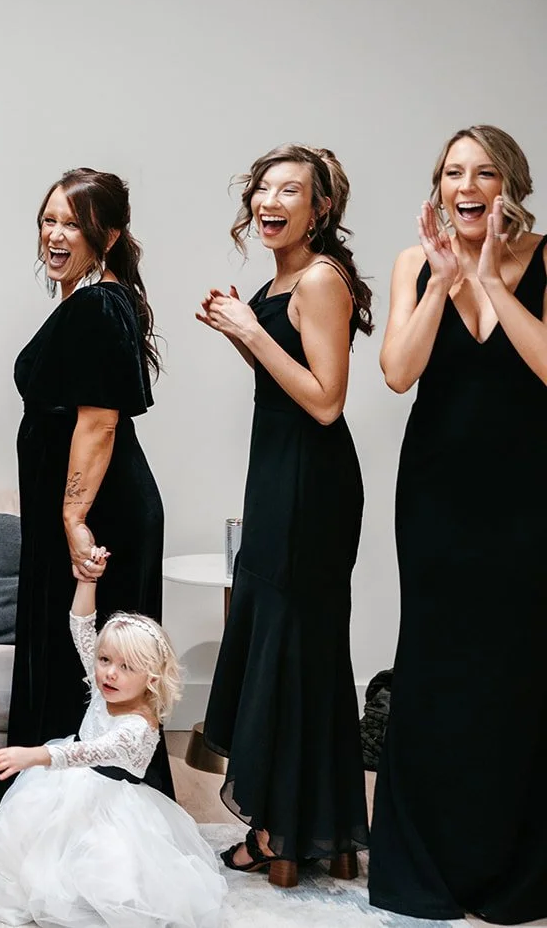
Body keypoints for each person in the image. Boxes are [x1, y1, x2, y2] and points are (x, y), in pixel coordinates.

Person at [371, 125, 547, 922]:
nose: (465, 185)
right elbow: (398, 371)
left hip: (527, 499)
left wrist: (492, 280)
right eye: (451, 172)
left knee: (517, 668)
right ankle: (425, 864)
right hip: (436, 498)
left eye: (482, 172)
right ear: (438, 188)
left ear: (511, 184)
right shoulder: (417, 263)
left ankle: (513, 869)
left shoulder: (544, 257)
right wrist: (445, 281)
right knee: (435, 665)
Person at [197, 144, 371, 887]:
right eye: (263, 189)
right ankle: (308, 826)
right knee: (289, 645)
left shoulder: (324, 278)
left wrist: (250, 328)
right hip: (280, 472)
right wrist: (242, 332)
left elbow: (326, 400)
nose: (270, 201)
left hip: (311, 483)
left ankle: (279, 831)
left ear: (320, 208)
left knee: (292, 649)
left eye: (289, 191)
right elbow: (286, 379)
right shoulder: (285, 277)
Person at [8, 169, 173, 798]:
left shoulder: (100, 304)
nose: (54, 235)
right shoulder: (93, 299)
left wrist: (74, 519)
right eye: (48, 220)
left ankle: (100, 832)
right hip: (84, 510)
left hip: (100, 514)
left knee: (102, 675)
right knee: (84, 670)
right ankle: (57, 820)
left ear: (108, 233)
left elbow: (100, 423)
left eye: (71, 223)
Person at [0, 569, 224, 928]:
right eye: (105, 661)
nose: (109, 673)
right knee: (28, 842)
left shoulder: (138, 727)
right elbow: (81, 628)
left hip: (111, 802)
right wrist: (87, 582)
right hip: (66, 787)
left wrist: (33, 755)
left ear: (152, 679)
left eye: (126, 667)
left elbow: (89, 752)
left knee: (105, 869)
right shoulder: (105, 688)